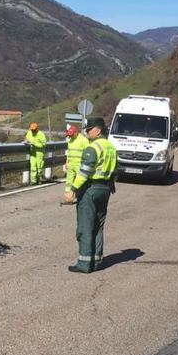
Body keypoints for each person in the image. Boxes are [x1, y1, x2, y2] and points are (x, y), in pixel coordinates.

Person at [64, 117, 117, 273]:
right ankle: (97, 261)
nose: (87, 133)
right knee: (98, 226)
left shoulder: (93, 148)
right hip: (105, 189)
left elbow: (85, 172)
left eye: (89, 130)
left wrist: (73, 189)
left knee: (85, 227)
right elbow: (114, 170)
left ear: (98, 130)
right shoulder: (111, 147)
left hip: (90, 189)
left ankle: (84, 263)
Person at [64, 125, 89, 194]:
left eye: (71, 135)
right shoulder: (70, 140)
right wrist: (66, 163)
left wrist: (85, 164)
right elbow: (68, 153)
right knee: (69, 181)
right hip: (71, 164)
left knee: (79, 181)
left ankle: (80, 195)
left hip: (79, 165)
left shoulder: (84, 140)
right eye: (69, 135)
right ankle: (68, 195)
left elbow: (88, 153)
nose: (70, 136)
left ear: (76, 133)